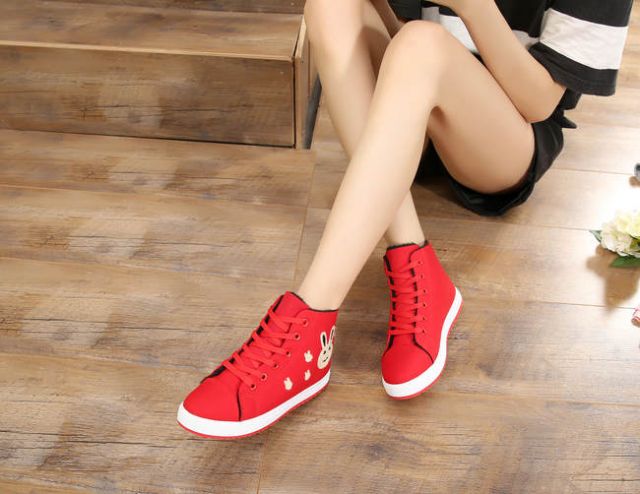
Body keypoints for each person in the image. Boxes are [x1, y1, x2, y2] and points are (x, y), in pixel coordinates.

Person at [176, 0, 633, 439]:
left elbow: (538, 103)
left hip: (504, 137)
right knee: (332, 5)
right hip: (409, 110)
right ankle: (414, 259)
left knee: (422, 44)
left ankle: (309, 320)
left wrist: (472, 6)